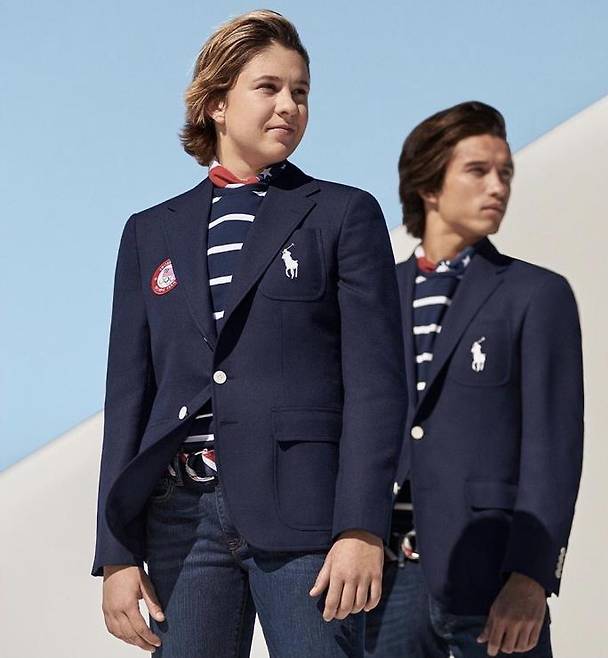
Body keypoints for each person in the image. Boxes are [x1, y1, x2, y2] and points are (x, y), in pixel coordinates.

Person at [91, 11, 407, 657]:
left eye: (300, 91)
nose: (289, 105)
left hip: (307, 518)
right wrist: (116, 552)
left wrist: (361, 528)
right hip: (179, 521)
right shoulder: (149, 232)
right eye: (268, 88)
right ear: (216, 103)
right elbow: (129, 398)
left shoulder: (342, 214)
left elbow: (378, 385)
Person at [366, 101, 583, 657]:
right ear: (429, 186)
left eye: (505, 172)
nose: (498, 187)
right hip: (383, 590)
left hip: (492, 587)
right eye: (478, 171)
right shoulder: (372, 298)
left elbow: (553, 451)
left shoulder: (537, 295)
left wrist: (532, 578)